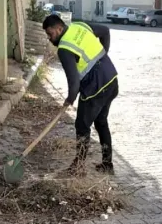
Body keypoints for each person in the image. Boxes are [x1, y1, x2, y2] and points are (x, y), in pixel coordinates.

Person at [42, 14, 119, 175]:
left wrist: (70, 99)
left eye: (51, 34)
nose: (50, 38)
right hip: (111, 79)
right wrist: (103, 55)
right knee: (101, 122)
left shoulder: (64, 48)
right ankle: (107, 164)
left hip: (95, 88)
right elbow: (105, 31)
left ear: (59, 28)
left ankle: (78, 167)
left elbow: (74, 83)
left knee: (82, 126)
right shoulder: (79, 26)